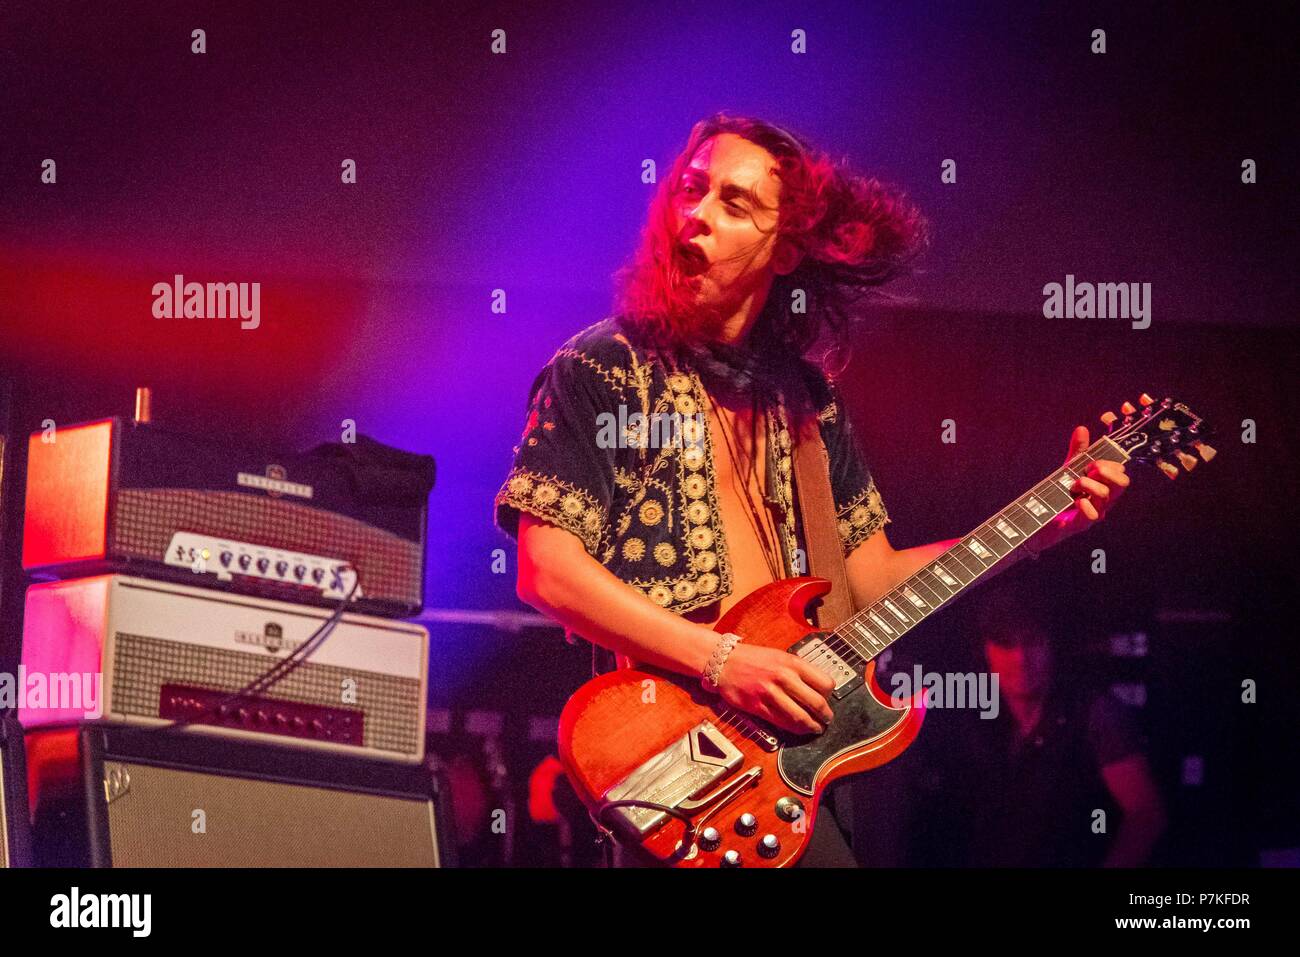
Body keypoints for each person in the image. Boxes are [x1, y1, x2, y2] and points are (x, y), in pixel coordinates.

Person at [493, 113, 1130, 867]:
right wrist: (724, 659)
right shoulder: (605, 369)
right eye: (692, 190)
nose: (696, 214)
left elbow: (871, 582)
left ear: (784, 249)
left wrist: (1042, 528)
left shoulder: (808, 401)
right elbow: (546, 570)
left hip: (795, 765)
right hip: (683, 757)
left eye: (735, 203)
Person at [955, 589, 1168, 866]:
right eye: (1006, 643)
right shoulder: (973, 718)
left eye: (1032, 641)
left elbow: (1146, 815)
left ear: (1051, 645)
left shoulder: (1094, 711)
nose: (1020, 658)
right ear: (985, 650)